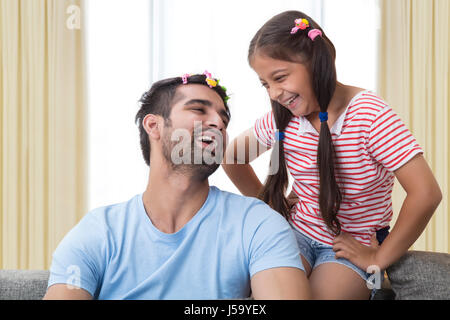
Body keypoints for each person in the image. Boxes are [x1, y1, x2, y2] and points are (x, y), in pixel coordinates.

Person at [222, 11, 442, 300]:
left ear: (315, 63)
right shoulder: (285, 118)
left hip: (349, 245)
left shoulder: (369, 116)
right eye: (265, 84)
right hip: (295, 234)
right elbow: (233, 157)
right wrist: (270, 210)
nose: (274, 92)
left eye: (279, 78)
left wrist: (379, 257)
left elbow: (426, 193)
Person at [43, 72, 311, 300]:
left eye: (224, 118)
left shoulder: (258, 223)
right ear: (154, 125)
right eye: (198, 109)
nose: (218, 123)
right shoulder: (98, 231)